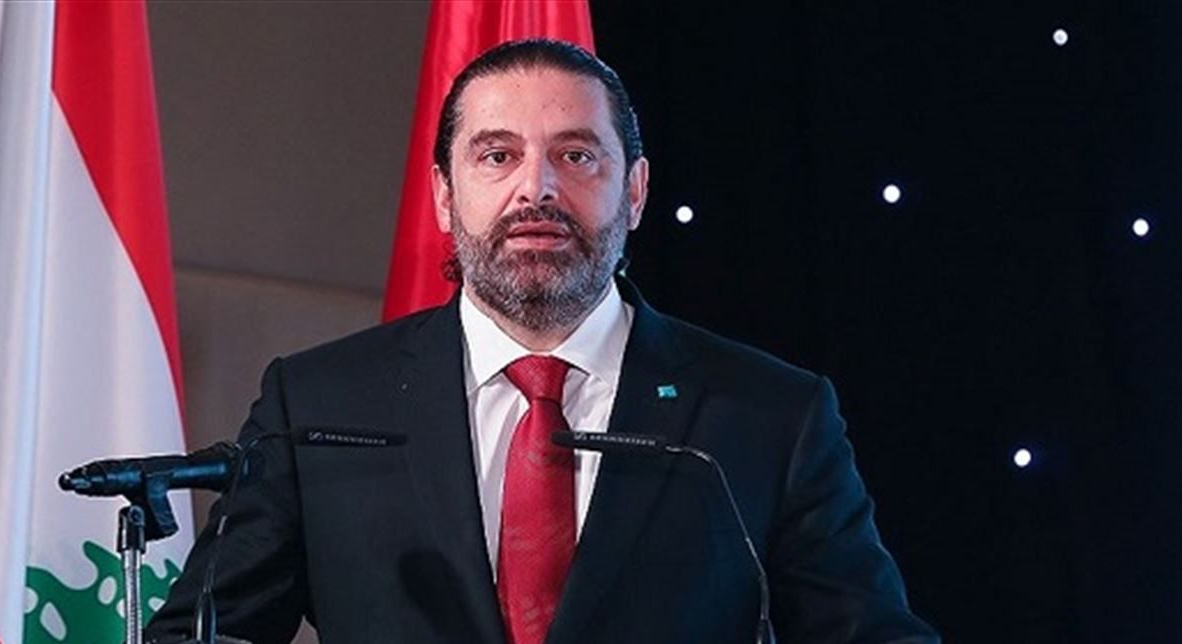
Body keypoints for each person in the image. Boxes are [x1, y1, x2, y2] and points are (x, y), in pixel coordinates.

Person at [146, 39, 939, 644]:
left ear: (635, 192)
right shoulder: (317, 404)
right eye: (498, 156)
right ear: (444, 195)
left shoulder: (770, 416)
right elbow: (202, 633)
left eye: (576, 155)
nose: (537, 188)